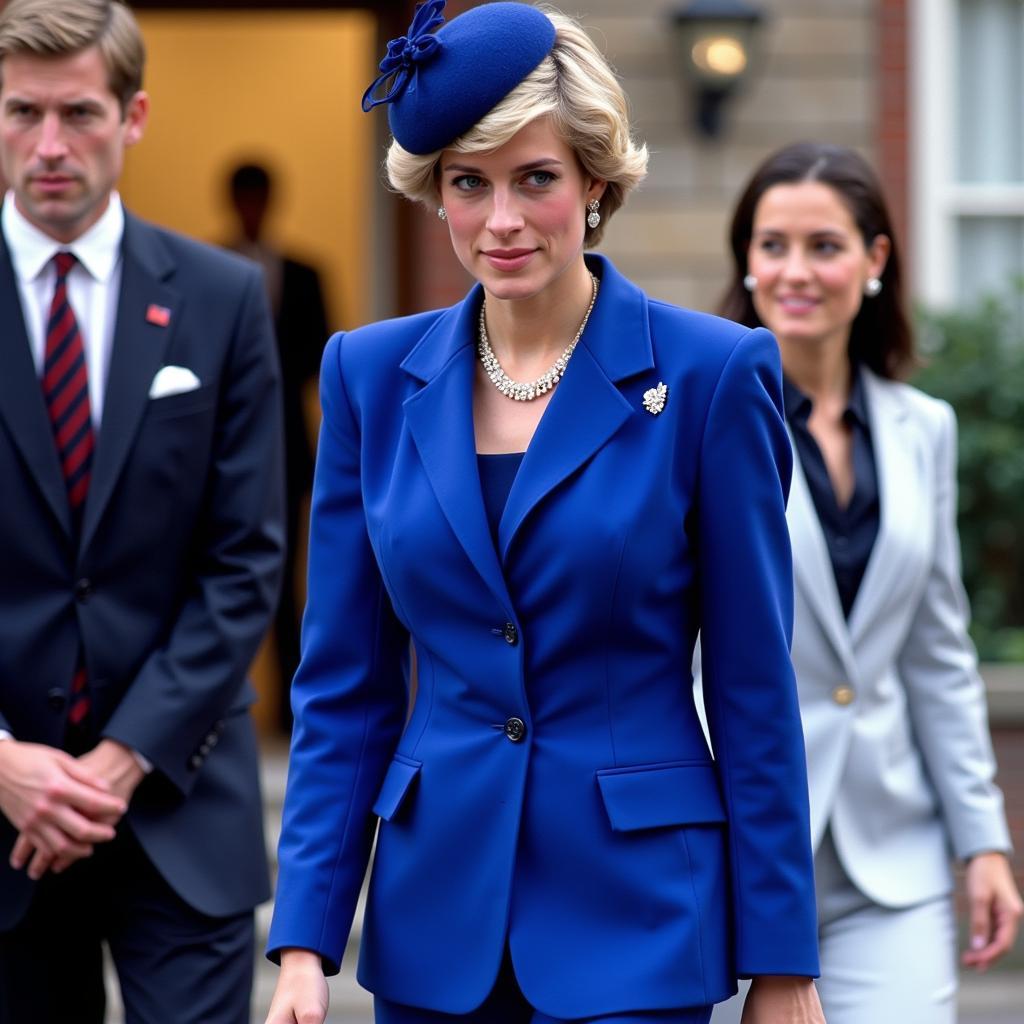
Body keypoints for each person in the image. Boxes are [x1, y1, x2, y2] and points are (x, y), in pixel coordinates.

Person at [265, 4, 824, 1023]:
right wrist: (305, 939)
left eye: (536, 179)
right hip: (435, 923)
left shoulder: (711, 374)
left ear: (595, 184)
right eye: (468, 184)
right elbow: (343, 683)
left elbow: (750, 684)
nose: (502, 221)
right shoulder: (367, 376)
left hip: (640, 921)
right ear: (434, 192)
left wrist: (782, 960)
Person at [0, 2, 285, 1023]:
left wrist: (117, 764)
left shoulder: (221, 297)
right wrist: (3, 764)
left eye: (78, 113)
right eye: (20, 113)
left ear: (135, 117)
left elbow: (246, 558)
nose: (49, 147)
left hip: (177, 801)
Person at [708, 141, 1023, 1024]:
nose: (795, 271)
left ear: (875, 259)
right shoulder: (697, 420)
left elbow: (938, 657)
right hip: (732, 846)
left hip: (895, 859)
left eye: (824, 245)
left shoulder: (926, 429)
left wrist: (984, 842)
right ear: (746, 261)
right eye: (772, 246)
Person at [225, 160, 330, 729]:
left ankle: (289, 718)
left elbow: (320, 358)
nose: (252, 211)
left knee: (289, 582)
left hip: (288, 448)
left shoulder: (303, 272)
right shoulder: (208, 268)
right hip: (218, 451)